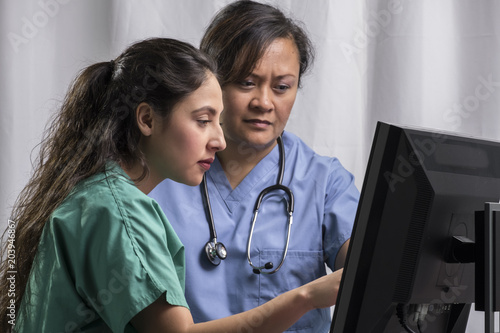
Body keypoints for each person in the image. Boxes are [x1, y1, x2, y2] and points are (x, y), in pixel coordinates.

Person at [0, 37, 343, 333]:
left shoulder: (94, 198)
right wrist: (307, 297)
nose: (219, 141)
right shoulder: (121, 211)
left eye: (218, 122)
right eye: (203, 121)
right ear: (147, 119)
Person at [148, 1, 360, 332]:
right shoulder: (159, 178)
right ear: (213, 82)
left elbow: (371, 272)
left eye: (282, 87)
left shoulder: (324, 181)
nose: (264, 102)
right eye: (247, 82)